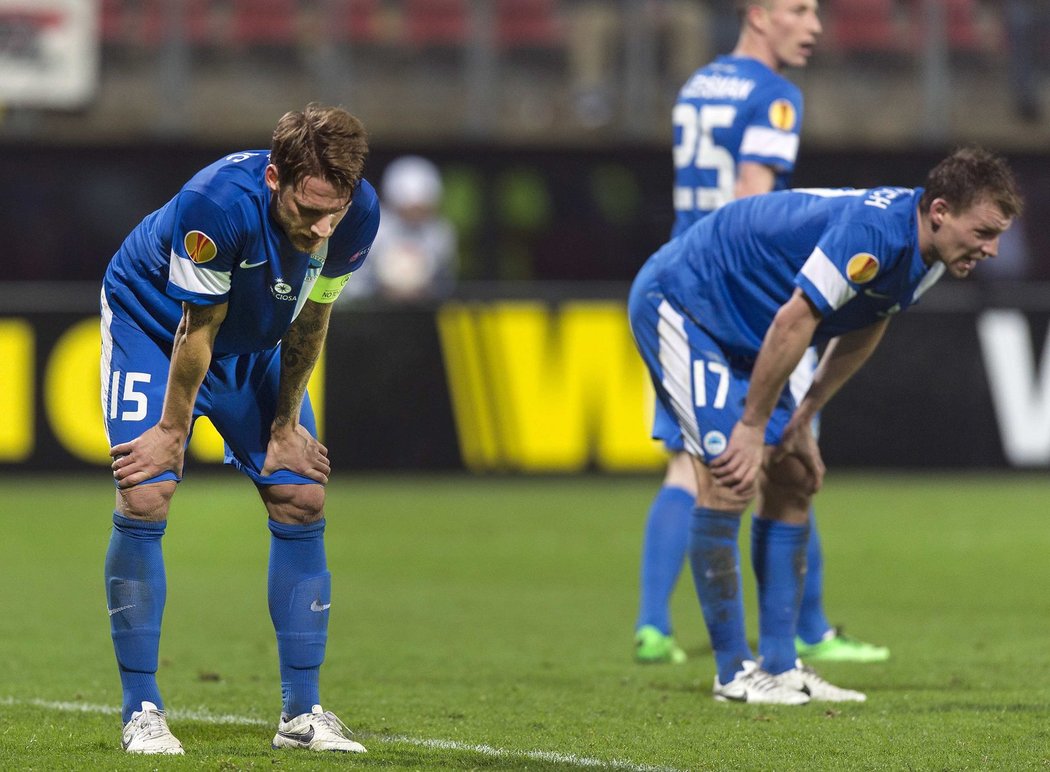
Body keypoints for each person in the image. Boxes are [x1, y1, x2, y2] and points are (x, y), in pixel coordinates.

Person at [628, 147, 1022, 703]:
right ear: (939, 211)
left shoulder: (929, 257)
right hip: (687, 305)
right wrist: (752, 425)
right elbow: (797, 317)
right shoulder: (874, 232)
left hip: (753, 327)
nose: (992, 249)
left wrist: (804, 418)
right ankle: (731, 674)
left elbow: (866, 324)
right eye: (984, 231)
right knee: (728, 476)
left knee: (794, 476)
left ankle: (782, 666)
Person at [100, 104, 379, 754]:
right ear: (275, 178)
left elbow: (313, 319)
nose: (322, 228)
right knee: (146, 491)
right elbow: (195, 331)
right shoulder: (215, 205)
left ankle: (301, 717)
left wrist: (285, 423)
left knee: (301, 493)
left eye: (333, 211)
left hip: (255, 337)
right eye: (308, 211)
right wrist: (172, 430)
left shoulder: (355, 212)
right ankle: (141, 707)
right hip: (155, 322)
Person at [634, 0, 889, 667]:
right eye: (799, 9)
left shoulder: (698, 86)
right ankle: (806, 631)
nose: (814, 25)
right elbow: (751, 199)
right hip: (739, 293)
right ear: (757, 12)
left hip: (673, 286)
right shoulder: (776, 96)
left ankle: (653, 624)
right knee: (788, 456)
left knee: (688, 464)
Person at [341, 154, 458, 302]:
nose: (415, 213)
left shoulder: (440, 232)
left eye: (422, 207)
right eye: (409, 207)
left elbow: (446, 281)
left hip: (423, 312)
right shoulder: (373, 226)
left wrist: (426, 289)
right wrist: (380, 288)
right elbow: (353, 283)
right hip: (373, 311)